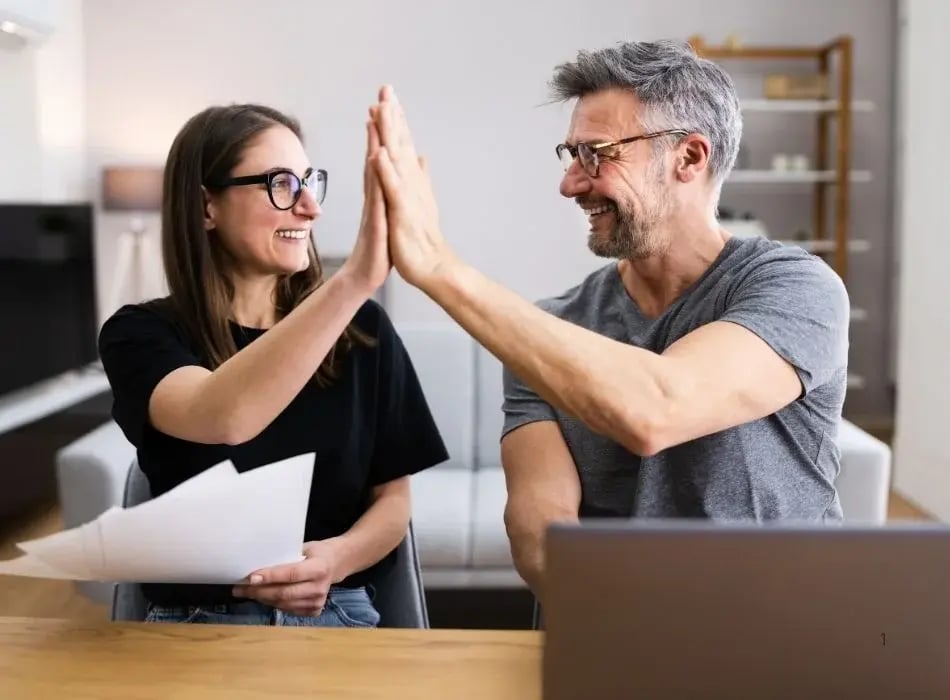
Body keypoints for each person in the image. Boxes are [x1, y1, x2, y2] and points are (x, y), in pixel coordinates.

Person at [366, 39, 849, 600]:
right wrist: (621, 626)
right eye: (571, 155)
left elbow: (656, 409)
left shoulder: (796, 289)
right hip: (605, 623)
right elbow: (539, 530)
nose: (571, 183)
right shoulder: (552, 330)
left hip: (775, 631)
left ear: (689, 157)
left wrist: (440, 269)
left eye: (597, 154)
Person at [98, 103, 448, 626]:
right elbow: (222, 415)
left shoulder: (363, 330)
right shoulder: (139, 334)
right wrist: (355, 278)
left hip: (337, 610)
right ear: (206, 207)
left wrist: (334, 560)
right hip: (196, 623)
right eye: (280, 184)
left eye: (309, 182)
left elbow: (394, 503)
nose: (309, 207)